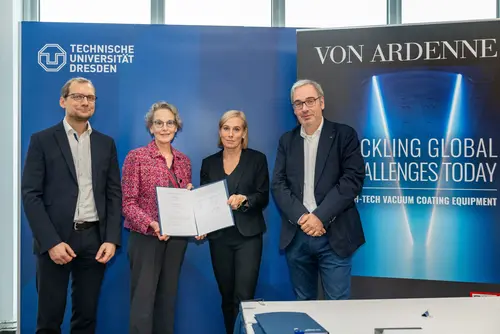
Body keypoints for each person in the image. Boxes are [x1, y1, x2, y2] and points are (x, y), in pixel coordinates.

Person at [21, 77, 122, 334]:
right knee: (49, 319)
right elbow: (31, 194)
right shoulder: (42, 140)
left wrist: (111, 239)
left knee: (86, 318)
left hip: (94, 240)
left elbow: (113, 194)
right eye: (78, 96)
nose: (85, 102)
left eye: (90, 97)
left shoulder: (105, 143)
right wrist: (51, 242)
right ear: (63, 101)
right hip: (56, 241)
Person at [271, 79, 365, 301]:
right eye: (298, 103)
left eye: (310, 101)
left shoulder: (344, 135)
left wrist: (319, 217)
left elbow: (352, 180)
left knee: (337, 307)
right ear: (293, 109)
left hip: (334, 235)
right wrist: (304, 217)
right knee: (304, 306)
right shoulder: (287, 141)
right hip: (298, 236)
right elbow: (278, 183)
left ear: (321, 102)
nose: (304, 108)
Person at [121, 101, 193, 334]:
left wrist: (192, 209)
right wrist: (150, 224)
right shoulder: (137, 157)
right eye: (158, 123)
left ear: (176, 127)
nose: (164, 128)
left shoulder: (184, 161)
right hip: (146, 239)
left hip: (176, 240)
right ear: (150, 128)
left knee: (167, 302)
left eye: (169, 123)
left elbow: (183, 201)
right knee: (143, 304)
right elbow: (127, 203)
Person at [200, 110, 269, 334]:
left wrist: (245, 200)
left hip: (248, 237)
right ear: (220, 132)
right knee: (227, 297)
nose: (230, 134)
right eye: (226, 128)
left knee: (244, 298)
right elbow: (203, 201)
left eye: (236, 129)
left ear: (244, 133)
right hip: (219, 238)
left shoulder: (257, 159)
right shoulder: (208, 163)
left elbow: (263, 196)